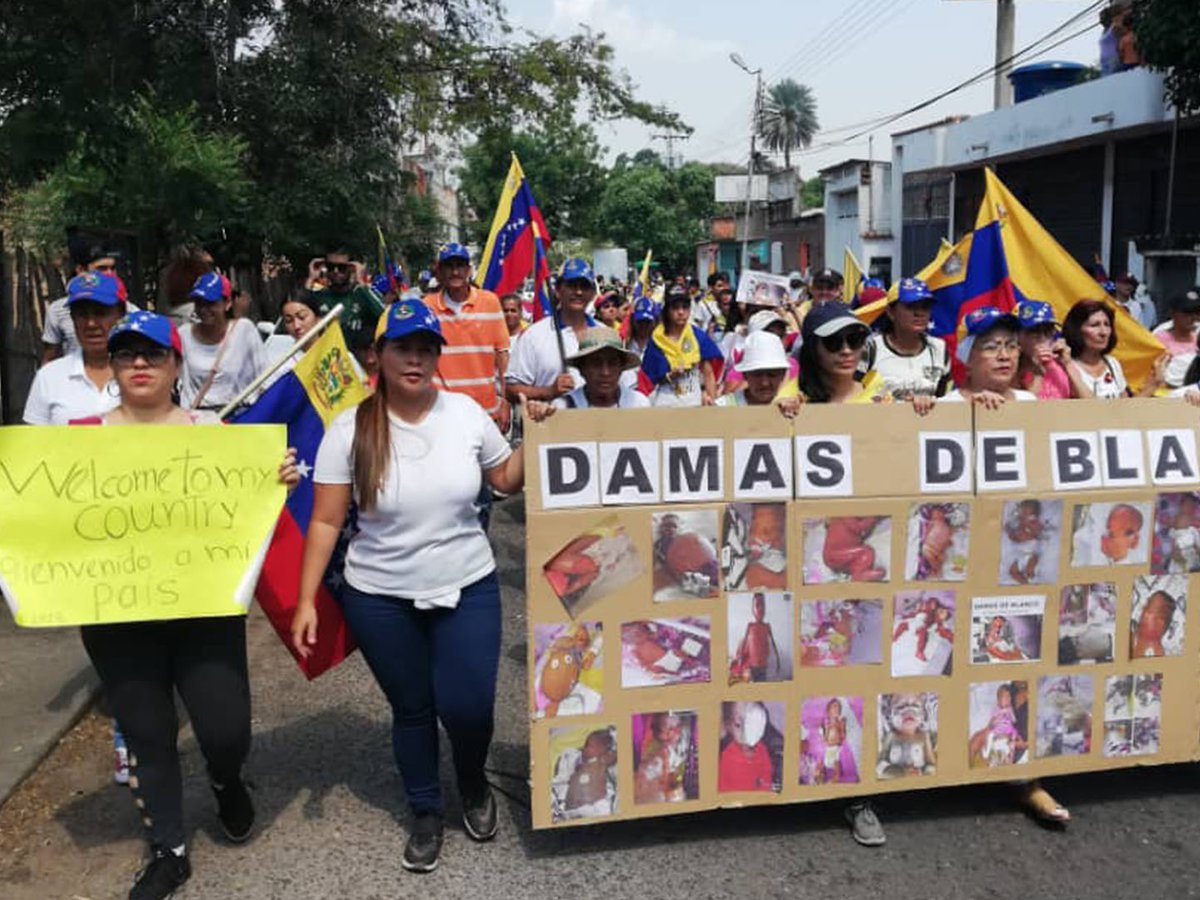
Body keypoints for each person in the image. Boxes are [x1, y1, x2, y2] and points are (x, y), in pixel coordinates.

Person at [292, 298, 525, 874]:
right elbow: (324, 520)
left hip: (468, 585)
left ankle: (471, 781)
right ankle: (424, 808)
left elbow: (504, 480)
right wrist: (305, 599)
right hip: (380, 597)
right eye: (403, 348)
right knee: (414, 709)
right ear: (379, 355)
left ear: (437, 356)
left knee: (469, 707)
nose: (415, 359)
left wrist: (539, 437)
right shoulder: (349, 428)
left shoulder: (466, 414)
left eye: (426, 349)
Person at [75, 310, 298, 900]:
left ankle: (225, 780)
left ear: (176, 364)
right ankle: (169, 850)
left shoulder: (215, 435)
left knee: (225, 729)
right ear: (112, 366)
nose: (139, 364)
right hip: (117, 614)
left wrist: (276, 479)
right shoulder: (79, 440)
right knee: (147, 733)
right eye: (126, 354)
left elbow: (252, 507)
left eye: (152, 354)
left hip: (202, 610)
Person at [424, 243, 511, 430]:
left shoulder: (490, 302)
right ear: (439, 271)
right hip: (443, 415)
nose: (455, 272)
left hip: (486, 412)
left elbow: (502, 355)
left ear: (469, 270)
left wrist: (505, 401)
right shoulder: (427, 307)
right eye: (449, 266)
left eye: (460, 265)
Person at [24, 272, 125, 425]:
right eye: (82, 315)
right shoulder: (50, 377)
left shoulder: (143, 373)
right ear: (72, 318)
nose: (91, 324)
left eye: (101, 313)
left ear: (121, 315)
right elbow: (33, 442)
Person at [506, 258, 598, 404]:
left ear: (593, 293)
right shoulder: (534, 336)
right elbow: (510, 390)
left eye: (584, 287)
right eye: (572, 286)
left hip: (598, 423)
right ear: (558, 291)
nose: (579, 292)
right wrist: (548, 391)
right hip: (550, 423)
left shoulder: (604, 333)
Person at [179, 272, 269, 411]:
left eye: (210, 303)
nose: (204, 309)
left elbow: (265, 377)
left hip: (237, 417)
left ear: (227, 303)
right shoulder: (184, 334)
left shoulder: (244, 330)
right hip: (198, 420)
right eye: (199, 303)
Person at [860, 277, 950, 405]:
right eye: (911, 306)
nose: (919, 313)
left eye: (925, 307)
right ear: (891, 312)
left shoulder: (939, 349)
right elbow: (853, 394)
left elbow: (943, 398)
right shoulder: (870, 348)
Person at [526, 326, 649, 418]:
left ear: (621, 368)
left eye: (612, 363)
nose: (605, 372)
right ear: (582, 369)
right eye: (596, 364)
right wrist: (539, 421)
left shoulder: (638, 404)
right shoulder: (563, 408)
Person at [638, 286, 722, 407]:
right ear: (667, 310)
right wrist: (669, 376)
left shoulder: (697, 336)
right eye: (675, 308)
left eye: (685, 307)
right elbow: (648, 379)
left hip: (693, 403)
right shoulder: (657, 340)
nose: (681, 312)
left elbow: (708, 374)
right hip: (665, 404)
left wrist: (712, 401)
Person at [1063, 299, 1164, 399]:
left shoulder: (1112, 363)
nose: (1103, 332)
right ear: (1076, 330)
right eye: (1095, 325)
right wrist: (1069, 367)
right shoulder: (1065, 366)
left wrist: (1154, 383)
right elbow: (1092, 409)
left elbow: (1126, 411)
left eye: (1107, 325)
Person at [940, 307, 1037, 407]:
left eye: (1011, 346)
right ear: (967, 359)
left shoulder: (1029, 401)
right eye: (991, 347)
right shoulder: (944, 407)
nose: (1004, 356)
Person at [40, 248, 121, 365]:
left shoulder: (129, 310)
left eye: (112, 268)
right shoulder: (58, 310)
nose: (110, 274)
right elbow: (49, 356)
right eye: (102, 268)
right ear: (81, 270)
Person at [310, 248, 386, 370]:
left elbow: (385, 316)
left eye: (341, 268)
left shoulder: (361, 295)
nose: (335, 271)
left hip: (358, 368)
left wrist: (361, 282)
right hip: (326, 367)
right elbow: (298, 311)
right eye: (330, 267)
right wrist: (311, 278)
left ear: (351, 268)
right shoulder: (319, 296)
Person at [796, 302, 885, 405]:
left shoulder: (882, 396)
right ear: (812, 348)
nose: (846, 351)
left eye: (855, 339)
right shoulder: (793, 400)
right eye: (833, 341)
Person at [1014, 300, 1093, 399]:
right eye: (1034, 331)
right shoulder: (1010, 366)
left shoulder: (1061, 365)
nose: (1042, 337)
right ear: (1018, 336)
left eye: (1048, 330)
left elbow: (1092, 403)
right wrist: (1033, 368)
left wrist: (1067, 364)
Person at [721, 313, 800, 401]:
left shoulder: (794, 365)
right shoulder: (735, 374)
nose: (764, 383)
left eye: (780, 335)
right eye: (757, 374)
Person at [1152, 289, 1200, 388]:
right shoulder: (1159, 338)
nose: (1193, 317)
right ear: (1173, 313)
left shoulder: (1198, 338)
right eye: (1187, 312)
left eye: (1196, 312)